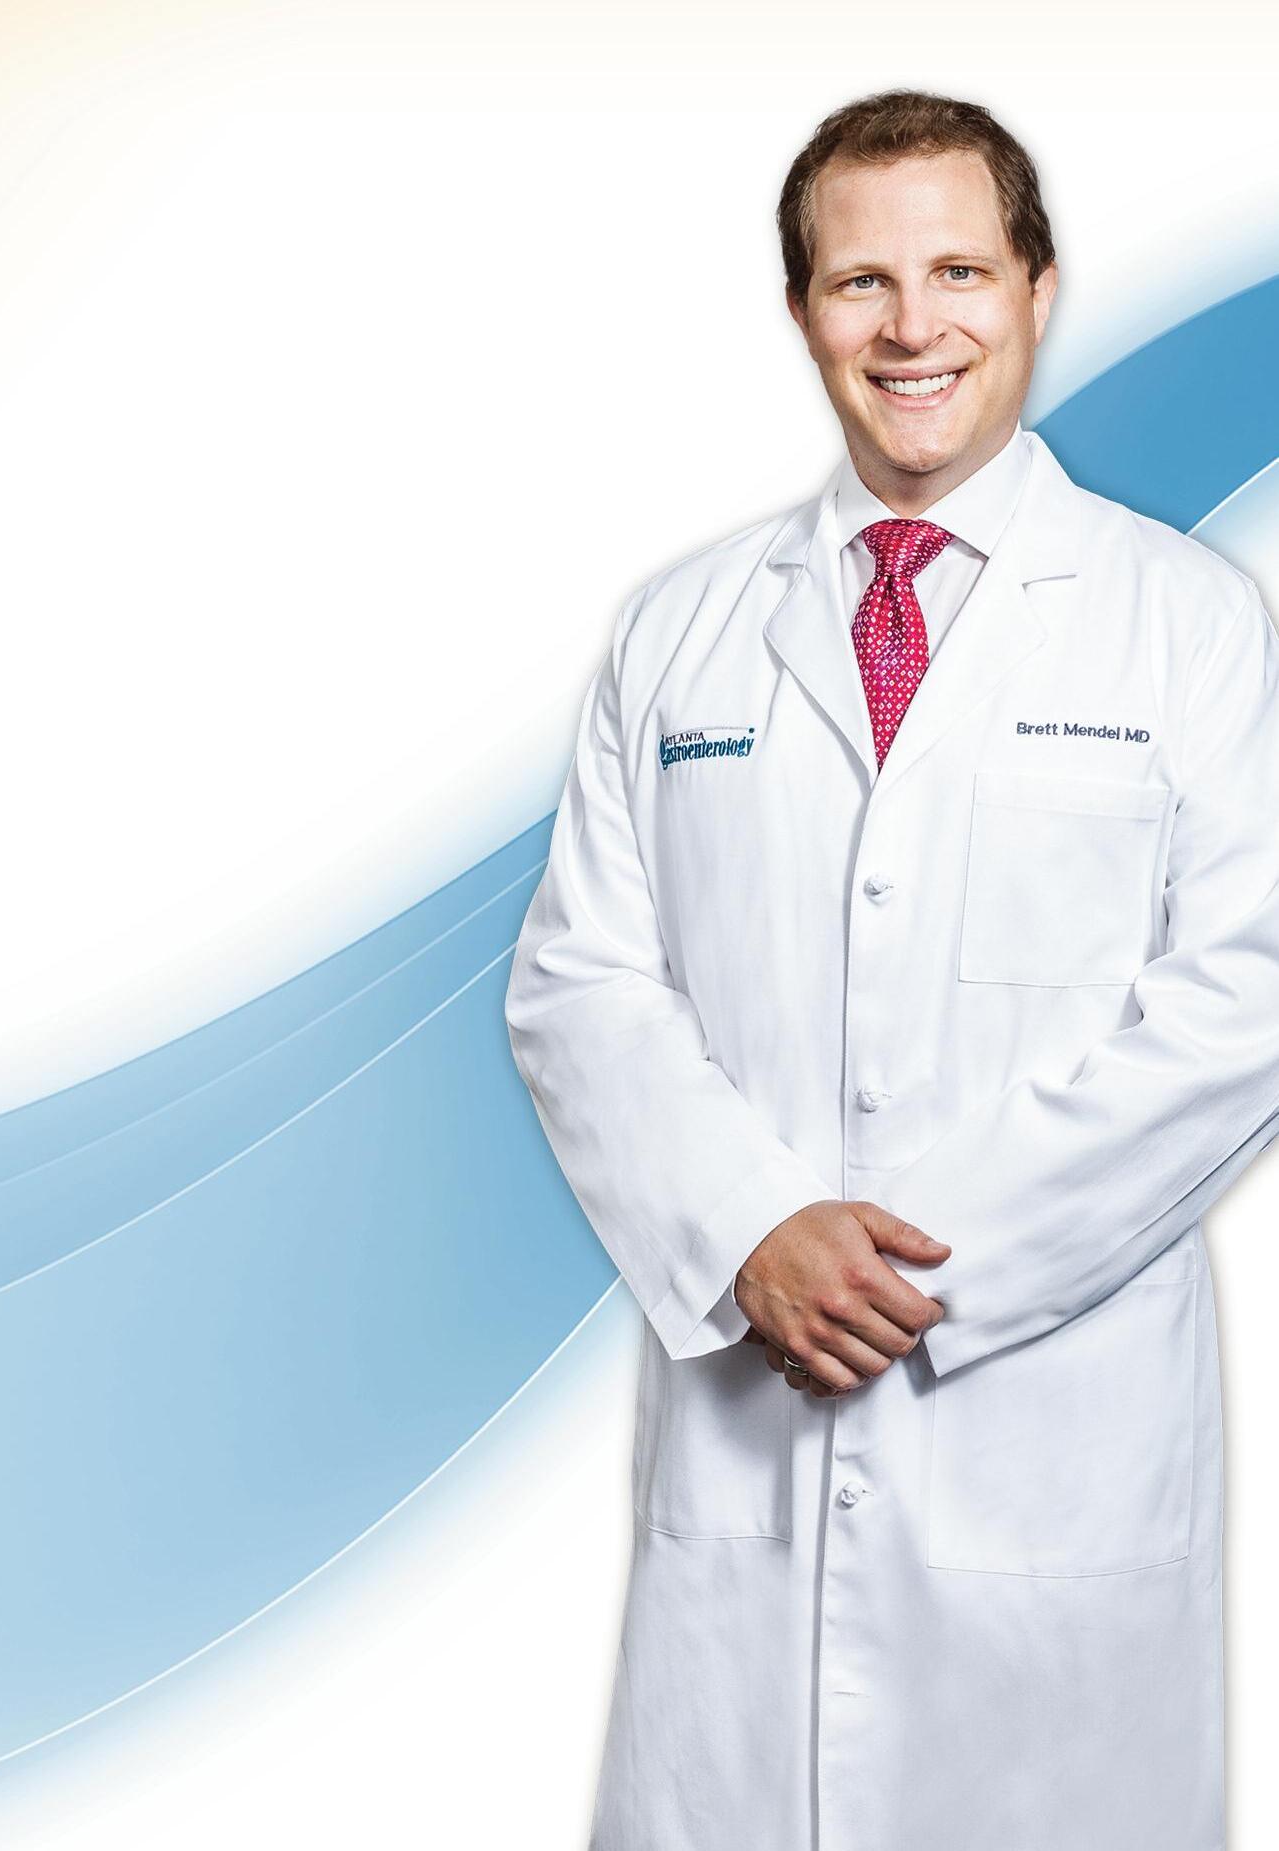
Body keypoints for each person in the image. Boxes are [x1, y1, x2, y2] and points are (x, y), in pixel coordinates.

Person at [503, 86, 1279, 1851]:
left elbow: (1246, 998)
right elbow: (580, 982)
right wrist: (750, 1229)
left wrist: (915, 1273)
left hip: (1050, 1451)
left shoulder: (1184, 623)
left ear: (1036, 288)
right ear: (802, 313)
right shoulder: (680, 631)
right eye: (860, 281)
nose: (910, 325)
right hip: (749, 1454)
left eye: (957, 272)